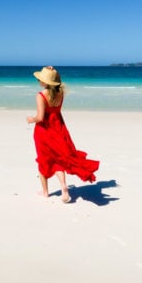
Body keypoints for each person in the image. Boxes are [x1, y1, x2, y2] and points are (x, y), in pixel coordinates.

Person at [26, 66, 99, 203]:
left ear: (46, 82)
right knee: (58, 158)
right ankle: (63, 187)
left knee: (44, 159)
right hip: (58, 127)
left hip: (44, 129)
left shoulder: (41, 95)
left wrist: (32, 119)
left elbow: (41, 117)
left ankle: (46, 192)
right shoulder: (60, 93)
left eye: (40, 78)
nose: (38, 80)